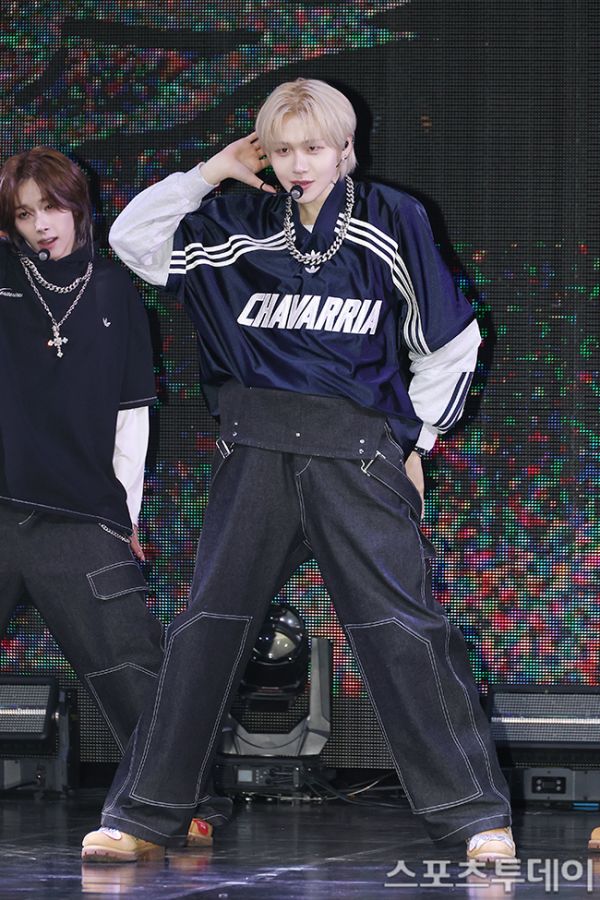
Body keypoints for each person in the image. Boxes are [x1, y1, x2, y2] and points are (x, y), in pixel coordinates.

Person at [82, 78, 516, 864]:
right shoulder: (234, 223)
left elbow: (452, 345)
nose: (298, 164)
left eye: (312, 147)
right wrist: (210, 172)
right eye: (282, 150)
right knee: (204, 633)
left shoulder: (393, 219)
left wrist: (413, 443)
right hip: (254, 450)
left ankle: (478, 820)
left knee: (405, 633)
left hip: (356, 454)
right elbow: (133, 241)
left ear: (345, 148)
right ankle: (144, 817)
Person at [0, 147, 224, 844]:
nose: (42, 225)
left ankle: (183, 802)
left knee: (134, 668)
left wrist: (123, 517)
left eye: (52, 207)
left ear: (79, 207)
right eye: (25, 213)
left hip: (81, 513)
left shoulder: (114, 291)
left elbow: (133, 417)